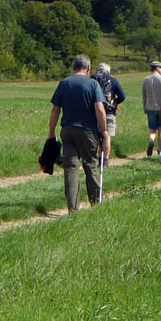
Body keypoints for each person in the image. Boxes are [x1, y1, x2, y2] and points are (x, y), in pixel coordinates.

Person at [48, 54, 110, 211]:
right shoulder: (92, 84)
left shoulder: (64, 83)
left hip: (67, 130)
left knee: (70, 168)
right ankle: (95, 204)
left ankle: (72, 208)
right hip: (87, 131)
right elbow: (100, 109)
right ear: (88, 68)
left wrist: (51, 132)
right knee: (91, 165)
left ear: (73, 67)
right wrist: (104, 131)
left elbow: (55, 110)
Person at [141, 61, 161, 160]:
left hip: (150, 107)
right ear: (157, 68)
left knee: (152, 129)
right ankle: (160, 150)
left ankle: (151, 140)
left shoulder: (146, 80)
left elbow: (144, 96)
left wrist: (145, 107)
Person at [93, 63, 126, 145]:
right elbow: (122, 96)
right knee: (107, 135)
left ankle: (98, 155)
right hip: (109, 112)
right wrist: (115, 102)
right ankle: (105, 157)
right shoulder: (113, 80)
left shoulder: (92, 80)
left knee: (96, 135)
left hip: (95, 112)